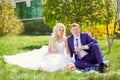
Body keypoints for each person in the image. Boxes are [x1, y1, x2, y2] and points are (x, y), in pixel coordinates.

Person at [3, 23, 74, 72]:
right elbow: (49, 50)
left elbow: (67, 50)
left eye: (62, 30)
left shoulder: (65, 39)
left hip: (61, 55)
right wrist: (55, 52)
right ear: (56, 30)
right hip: (53, 54)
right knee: (48, 64)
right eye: (59, 30)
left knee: (64, 63)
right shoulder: (53, 38)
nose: (61, 32)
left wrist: (69, 56)